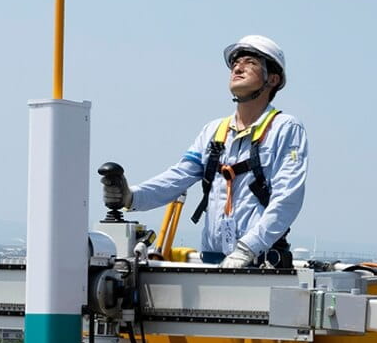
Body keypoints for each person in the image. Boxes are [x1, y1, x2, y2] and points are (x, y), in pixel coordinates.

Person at [104, 35, 308, 268]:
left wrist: (248, 248)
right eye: (235, 63)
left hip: (261, 263)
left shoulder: (285, 128)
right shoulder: (214, 131)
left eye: (250, 62)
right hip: (213, 261)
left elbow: (288, 198)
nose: (238, 67)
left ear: (272, 79)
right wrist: (132, 196)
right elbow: (178, 176)